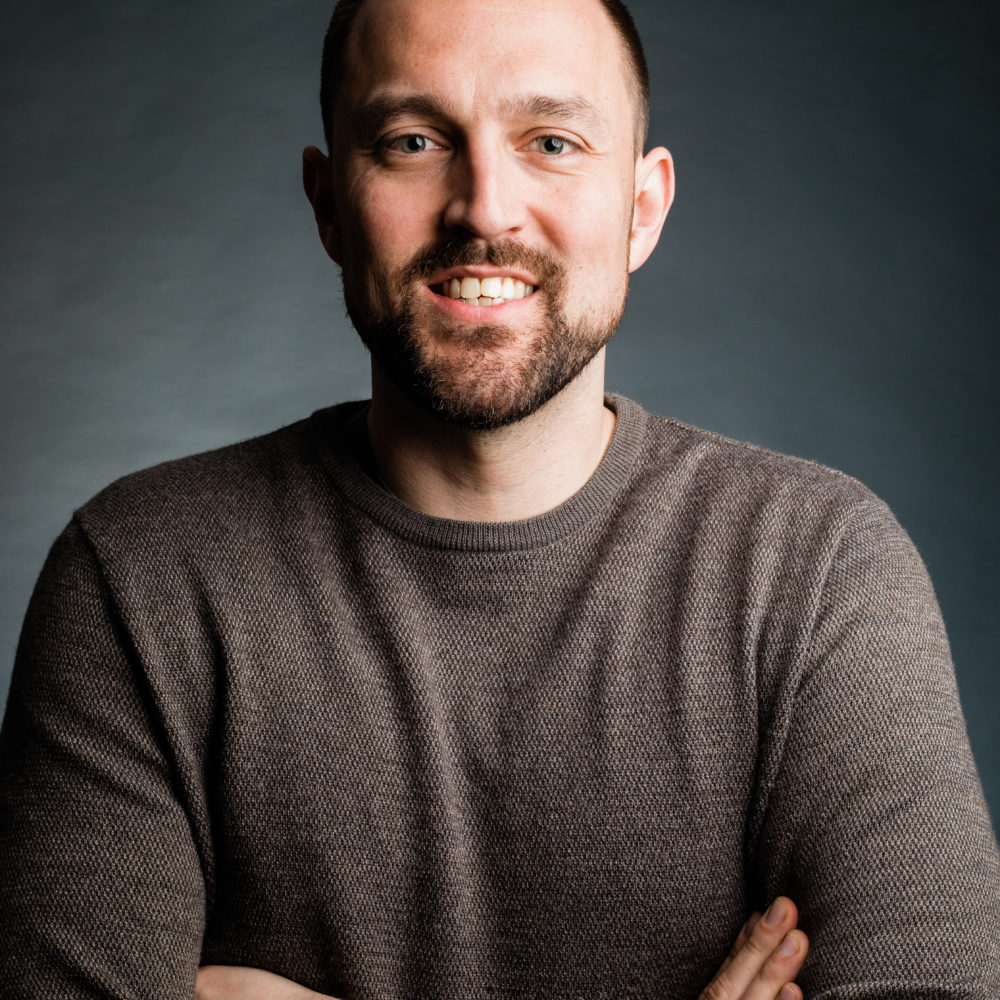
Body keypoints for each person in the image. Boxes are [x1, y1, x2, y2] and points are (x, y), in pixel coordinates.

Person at [1, 0, 998, 997]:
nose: (484, 207)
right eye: (413, 141)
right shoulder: (137, 576)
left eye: (552, 141)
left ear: (641, 207)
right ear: (328, 204)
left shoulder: (816, 567)